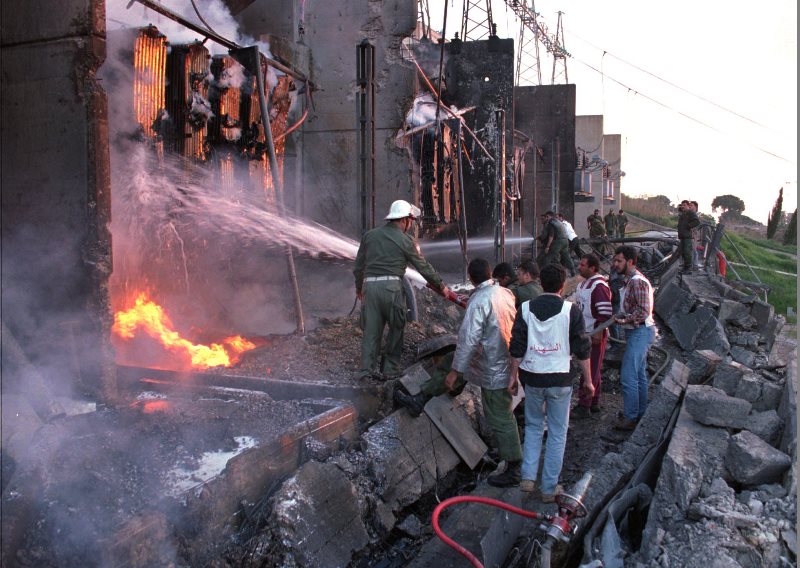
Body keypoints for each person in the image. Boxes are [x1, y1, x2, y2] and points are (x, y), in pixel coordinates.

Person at [395, 258, 522, 487]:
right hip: (498, 358)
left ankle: (514, 468)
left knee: (500, 417)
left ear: (471, 278)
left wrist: (456, 371)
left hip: (490, 364)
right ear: (490, 273)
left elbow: (468, 340)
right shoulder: (505, 293)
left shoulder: (480, 301)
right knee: (448, 363)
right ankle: (421, 399)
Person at [508, 264, 593, 502]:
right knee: (557, 432)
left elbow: (516, 347)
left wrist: (512, 377)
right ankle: (548, 488)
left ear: (541, 283)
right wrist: (588, 381)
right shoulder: (571, 311)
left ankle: (527, 477)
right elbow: (582, 350)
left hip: (532, 377)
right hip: (560, 379)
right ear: (563, 285)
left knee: (534, 427)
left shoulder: (525, 308)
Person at [353, 199, 450, 380]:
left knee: (371, 332)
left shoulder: (369, 236)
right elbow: (423, 267)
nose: (411, 225)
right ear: (404, 220)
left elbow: (358, 267)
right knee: (397, 327)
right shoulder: (406, 240)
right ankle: (390, 370)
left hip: (370, 288)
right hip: (391, 288)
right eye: (411, 221)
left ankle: (366, 373)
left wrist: (359, 288)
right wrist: (441, 286)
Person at [611, 246, 656, 431]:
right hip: (637, 332)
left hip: (640, 332)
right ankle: (640, 412)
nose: (615, 264)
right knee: (639, 375)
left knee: (628, 375)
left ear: (630, 262)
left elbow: (643, 311)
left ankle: (630, 418)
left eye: (619, 261)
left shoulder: (637, 282)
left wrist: (624, 320)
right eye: (614, 260)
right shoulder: (628, 281)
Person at [572, 254, 613, 418]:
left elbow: (605, 312)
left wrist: (599, 331)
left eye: (582, 265)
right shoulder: (584, 284)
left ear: (592, 268)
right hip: (587, 332)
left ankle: (584, 405)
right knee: (593, 369)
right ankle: (594, 401)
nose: (579, 267)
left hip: (595, 334)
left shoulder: (599, 286)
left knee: (590, 369)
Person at [537, 211, 574, 276]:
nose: (547, 218)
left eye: (547, 217)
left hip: (558, 242)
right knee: (567, 257)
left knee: (548, 257)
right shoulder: (558, 222)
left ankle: (543, 274)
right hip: (565, 241)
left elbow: (551, 236)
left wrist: (547, 247)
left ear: (550, 216)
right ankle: (572, 271)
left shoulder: (551, 223)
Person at [677, 200, 700, 272]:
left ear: (688, 206)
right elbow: (679, 209)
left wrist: (688, 226)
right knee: (683, 252)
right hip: (682, 236)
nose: (683, 206)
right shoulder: (683, 213)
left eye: (684, 205)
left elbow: (697, 221)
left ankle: (688, 269)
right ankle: (685, 267)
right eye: (682, 205)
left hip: (687, 236)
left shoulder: (690, 213)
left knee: (687, 252)